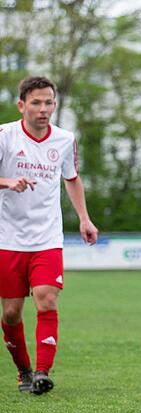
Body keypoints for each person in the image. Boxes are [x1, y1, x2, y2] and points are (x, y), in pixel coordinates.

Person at [0, 76, 98, 395]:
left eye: (49, 103)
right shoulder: (5, 136)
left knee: (47, 299)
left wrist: (84, 219)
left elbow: (72, 178)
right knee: (11, 312)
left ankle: (42, 372)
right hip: (8, 239)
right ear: (21, 105)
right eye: (36, 103)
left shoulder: (64, 139)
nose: (44, 109)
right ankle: (24, 370)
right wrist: (7, 182)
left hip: (47, 238)